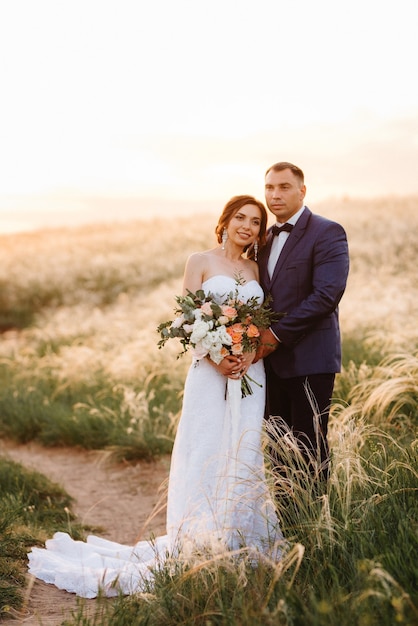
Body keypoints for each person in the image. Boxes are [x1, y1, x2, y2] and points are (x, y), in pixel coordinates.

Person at [27, 195, 284, 598]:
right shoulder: (199, 260)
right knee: (204, 449)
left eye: (255, 221)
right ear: (225, 221)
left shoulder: (256, 269)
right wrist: (216, 357)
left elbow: (261, 320)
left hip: (250, 372)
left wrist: (247, 352)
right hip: (210, 371)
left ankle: (239, 540)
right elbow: (185, 319)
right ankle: (198, 540)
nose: (247, 226)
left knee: (243, 447)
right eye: (240, 218)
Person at [255, 162, 349, 484]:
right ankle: (285, 528)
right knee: (278, 449)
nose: (275, 194)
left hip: (311, 359)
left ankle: (316, 528)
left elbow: (326, 296)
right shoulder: (263, 238)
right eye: (269, 187)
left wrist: (276, 335)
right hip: (268, 364)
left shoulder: (327, 231)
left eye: (283, 187)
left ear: (302, 191)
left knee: (309, 449)